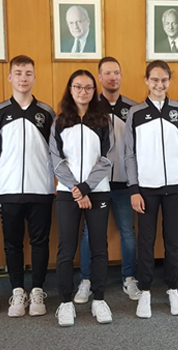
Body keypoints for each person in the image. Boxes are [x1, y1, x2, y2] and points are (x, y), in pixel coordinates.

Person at [125, 60, 178, 318]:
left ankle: (173, 288)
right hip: (146, 189)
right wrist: (133, 189)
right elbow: (129, 154)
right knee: (146, 241)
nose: (159, 84)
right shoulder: (135, 113)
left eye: (164, 80)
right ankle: (145, 292)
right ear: (146, 81)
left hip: (176, 187)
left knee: (173, 241)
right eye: (154, 79)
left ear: (169, 81)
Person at [50, 69, 114, 326]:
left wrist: (86, 187)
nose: (83, 92)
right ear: (70, 89)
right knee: (66, 248)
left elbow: (107, 158)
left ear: (93, 91)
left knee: (99, 248)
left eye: (88, 87)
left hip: (97, 191)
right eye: (78, 87)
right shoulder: (59, 121)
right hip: (68, 194)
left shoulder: (103, 121)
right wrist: (77, 189)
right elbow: (55, 160)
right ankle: (66, 302)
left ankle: (99, 299)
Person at [74, 57, 140, 304]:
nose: (112, 77)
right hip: (96, 185)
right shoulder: (89, 108)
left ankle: (129, 278)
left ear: (121, 77)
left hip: (124, 184)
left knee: (127, 232)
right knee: (91, 234)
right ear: (99, 78)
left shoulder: (134, 110)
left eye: (116, 72)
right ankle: (86, 280)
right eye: (107, 73)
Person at [0, 55, 55, 318]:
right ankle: (18, 291)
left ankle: (37, 290)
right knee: (12, 244)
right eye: (18, 73)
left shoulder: (46, 113)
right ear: (10, 77)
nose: (23, 78)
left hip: (40, 190)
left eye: (28, 73)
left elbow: (56, 153)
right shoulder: (1, 112)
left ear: (34, 77)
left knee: (39, 242)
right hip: (8, 190)